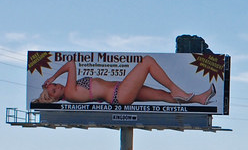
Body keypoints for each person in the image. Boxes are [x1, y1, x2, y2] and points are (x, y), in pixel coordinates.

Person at [36, 55, 215, 106]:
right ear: (55, 98)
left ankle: (199, 99)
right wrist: (53, 76)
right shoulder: (69, 92)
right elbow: (71, 63)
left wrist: (53, 79)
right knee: (147, 62)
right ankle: (176, 89)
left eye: (52, 85)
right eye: (53, 90)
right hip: (118, 95)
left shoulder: (69, 89)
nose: (55, 86)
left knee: (161, 95)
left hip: (120, 90)